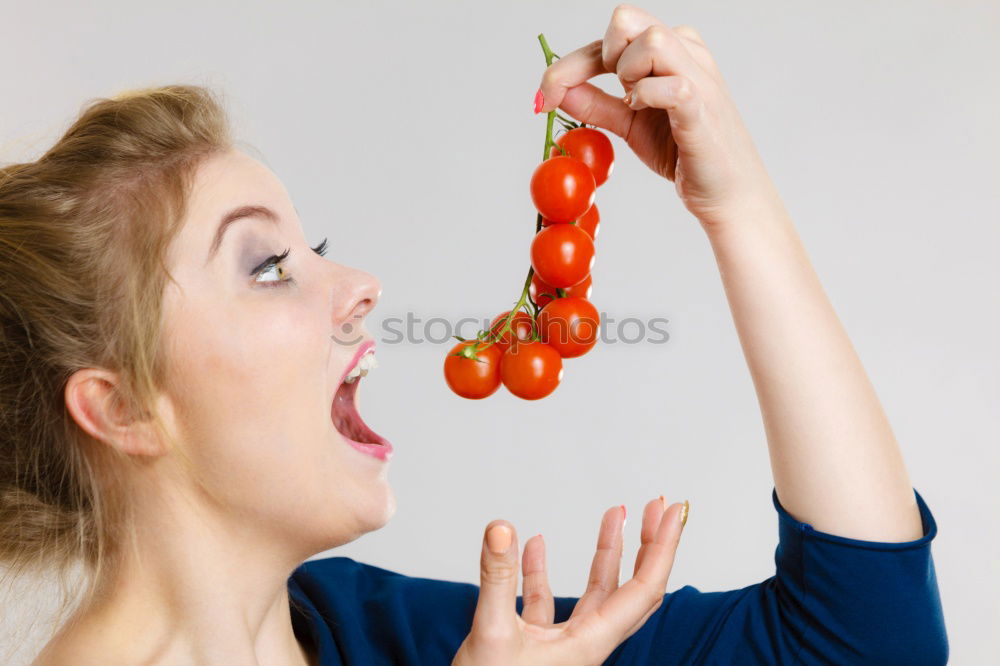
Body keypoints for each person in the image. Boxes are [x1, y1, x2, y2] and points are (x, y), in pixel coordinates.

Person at [0, 4, 947, 665]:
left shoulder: (387, 634)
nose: (364, 286)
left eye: (312, 247)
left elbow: (869, 642)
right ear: (121, 406)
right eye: (266, 267)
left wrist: (735, 205)